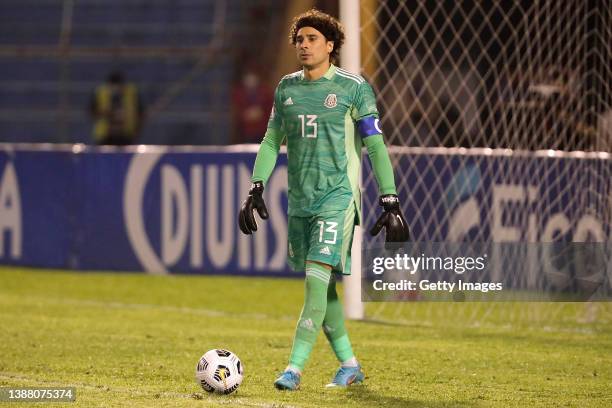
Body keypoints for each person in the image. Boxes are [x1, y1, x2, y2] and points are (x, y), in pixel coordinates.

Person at [238, 9, 409, 390]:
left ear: (330, 45)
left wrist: (389, 197)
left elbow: (375, 145)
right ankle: (349, 365)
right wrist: (256, 186)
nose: (303, 45)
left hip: (339, 198)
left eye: (312, 38)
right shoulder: (287, 89)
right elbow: (270, 141)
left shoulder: (353, 88)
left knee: (314, 282)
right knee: (325, 287)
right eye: (299, 39)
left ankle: (293, 369)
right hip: (301, 201)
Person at [90, 71, 144, 145]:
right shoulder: (101, 92)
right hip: (105, 136)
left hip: (126, 135)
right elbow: (92, 111)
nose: (116, 88)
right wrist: (106, 113)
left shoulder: (132, 93)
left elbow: (140, 114)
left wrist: (136, 130)